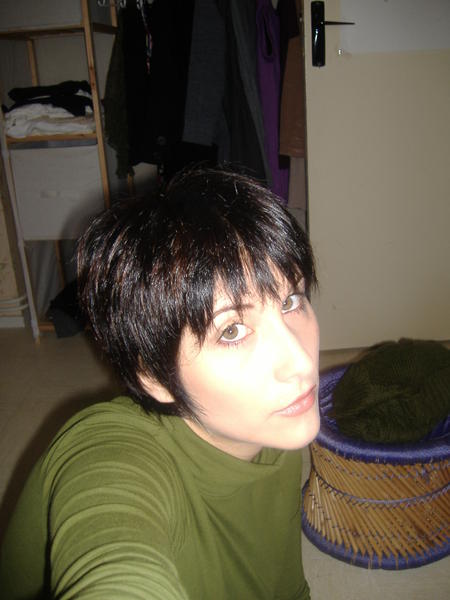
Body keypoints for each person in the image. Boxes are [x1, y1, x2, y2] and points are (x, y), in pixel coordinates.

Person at [0, 168, 320, 599]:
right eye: (231, 331)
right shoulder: (110, 450)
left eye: (291, 301)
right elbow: (116, 560)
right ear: (154, 377)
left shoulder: (271, 422)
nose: (300, 362)